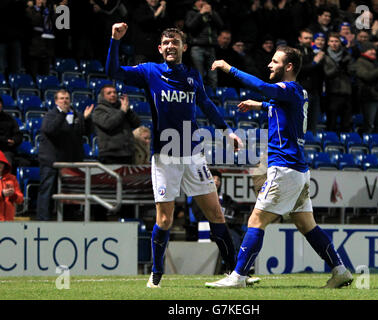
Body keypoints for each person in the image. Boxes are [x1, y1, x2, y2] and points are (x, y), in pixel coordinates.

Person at [106, 23, 244, 288]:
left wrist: (227, 131)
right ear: (160, 48)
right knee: (165, 219)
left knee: (216, 214)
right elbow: (112, 71)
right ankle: (156, 274)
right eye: (166, 42)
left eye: (175, 42)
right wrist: (115, 40)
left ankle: (233, 272)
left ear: (184, 47)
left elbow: (206, 104)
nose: (171, 46)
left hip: (193, 154)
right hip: (165, 156)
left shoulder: (192, 76)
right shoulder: (150, 71)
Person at [206, 46, 353, 288]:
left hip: (284, 169)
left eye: (275, 61)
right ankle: (340, 270)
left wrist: (228, 68)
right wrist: (260, 106)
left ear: (289, 67)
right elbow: (281, 107)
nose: (269, 65)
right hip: (298, 171)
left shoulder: (289, 89)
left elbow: (264, 88)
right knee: (307, 225)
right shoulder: (297, 93)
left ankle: (238, 276)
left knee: (256, 221)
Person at [37, 90, 93, 221]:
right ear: (56, 101)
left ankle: (69, 220)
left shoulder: (76, 115)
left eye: (67, 98)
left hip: (70, 162)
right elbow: (50, 130)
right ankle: (43, 220)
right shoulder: (50, 115)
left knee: (70, 194)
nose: (65, 101)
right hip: (52, 161)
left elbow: (85, 133)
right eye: (61, 98)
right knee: (47, 191)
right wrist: (62, 114)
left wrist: (86, 119)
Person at [92, 85, 140, 165]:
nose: (113, 95)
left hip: (128, 153)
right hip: (110, 155)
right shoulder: (99, 110)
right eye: (109, 93)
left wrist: (128, 110)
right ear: (103, 96)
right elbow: (109, 124)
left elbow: (136, 123)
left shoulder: (122, 108)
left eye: (114, 92)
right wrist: (122, 112)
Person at [350, 41, 378, 134]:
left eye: (374, 49)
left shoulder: (377, 62)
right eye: (370, 49)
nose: (373, 51)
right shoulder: (359, 62)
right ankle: (366, 143)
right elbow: (367, 76)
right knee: (369, 125)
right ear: (364, 51)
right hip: (368, 98)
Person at [185, 0, 224, 88]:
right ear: (195, 3)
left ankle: (214, 98)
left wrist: (212, 13)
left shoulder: (211, 14)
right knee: (199, 74)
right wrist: (200, 13)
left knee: (213, 76)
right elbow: (190, 26)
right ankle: (199, 97)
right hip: (197, 47)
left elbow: (221, 25)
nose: (202, 3)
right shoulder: (191, 13)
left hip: (211, 47)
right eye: (200, 1)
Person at [323, 32, 353, 132]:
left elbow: (352, 71)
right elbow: (326, 73)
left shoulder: (346, 55)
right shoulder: (324, 56)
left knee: (346, 124)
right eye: (332, 41)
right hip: (332, 93)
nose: (334, 43)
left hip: (346, 92)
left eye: (336, 41)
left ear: (340, 43)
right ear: (328, 43)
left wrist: (347, 66)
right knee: (331, 123)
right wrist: (339, 67)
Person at [296, 29, 325, 134]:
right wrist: (314, 62)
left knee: (313, 123)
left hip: (315, 91)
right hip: (302, 90)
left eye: (310, 38)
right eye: (306, 38)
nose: (309, 40)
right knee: (302, 120)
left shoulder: (314, 52)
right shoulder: (296, 52)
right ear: (300, 39)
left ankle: (311, 143)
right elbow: (299, 70)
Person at [0, 96, 23, 169]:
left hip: (6, 150)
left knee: (7, 162)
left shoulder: (9, 118)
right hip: (4, 144)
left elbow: (18, 134)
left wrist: (14, 141)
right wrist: (5, 140)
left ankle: (6, 180)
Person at [0, 150, 23, 221]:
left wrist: (14, 195)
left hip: (9, 221)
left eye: (1, 163)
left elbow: (20, 199)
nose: (0, 165)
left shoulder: (12, 178)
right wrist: (2, 194)